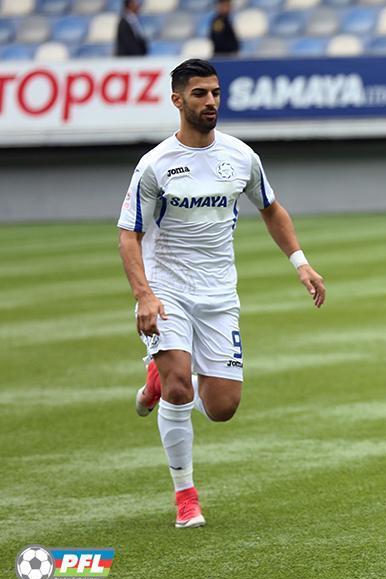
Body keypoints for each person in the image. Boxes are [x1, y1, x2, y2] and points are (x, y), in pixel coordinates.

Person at [117, 59, 326, 528]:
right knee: (179, 386)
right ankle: (186, 495)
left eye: (215, 92)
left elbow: (271, 208)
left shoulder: (241, 156)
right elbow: (129, 234)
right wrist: (144, 295)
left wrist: (301, 263)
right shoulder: (155, 164)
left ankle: (156, 381)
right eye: (199, 94)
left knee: (222, 407)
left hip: (218, 293)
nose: (210, 101)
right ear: (177, 100)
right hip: (167, 289)